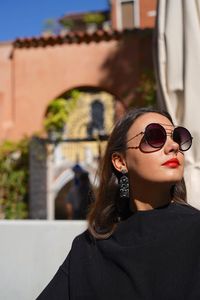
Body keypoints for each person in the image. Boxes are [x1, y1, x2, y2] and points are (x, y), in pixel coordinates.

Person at [37, 107, 200, 300]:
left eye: (177, 137)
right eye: (154, 136)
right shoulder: (89, 248)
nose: (173, 146)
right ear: (120, 161)